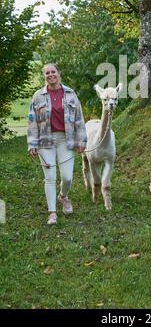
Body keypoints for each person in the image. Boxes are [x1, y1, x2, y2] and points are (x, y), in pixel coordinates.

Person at [28, 63, 87, 225]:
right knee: (50, 177)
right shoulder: (38, 96)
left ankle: (63, 196)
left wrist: (81, 140)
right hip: (45, 141)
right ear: (44, 76)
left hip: (65, 140)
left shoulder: (70, 93)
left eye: (53, 71)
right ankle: (52, 212)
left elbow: (79, 119)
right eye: (47, 73)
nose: (50, 75)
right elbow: (32, 121)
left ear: (59, 73)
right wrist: (32, 143)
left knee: (67, 177)